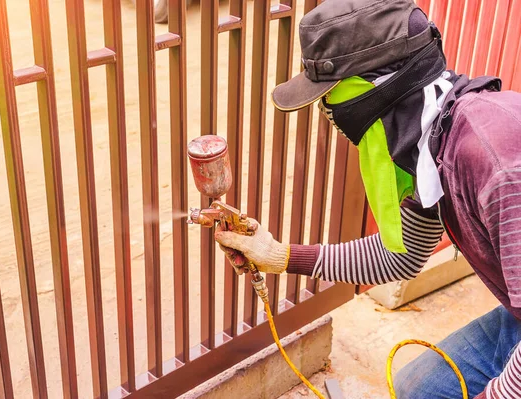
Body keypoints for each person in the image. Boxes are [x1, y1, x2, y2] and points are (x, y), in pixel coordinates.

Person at [213, 0, 521, 398]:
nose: (328, 112)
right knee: (419, 387)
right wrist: (280, 256)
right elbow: (401, 256)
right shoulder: (434, 147)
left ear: (382, 88)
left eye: (332, 97)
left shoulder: (494, 157)